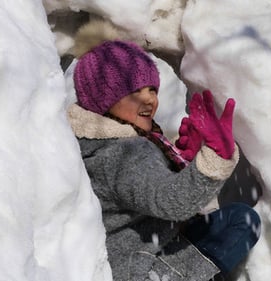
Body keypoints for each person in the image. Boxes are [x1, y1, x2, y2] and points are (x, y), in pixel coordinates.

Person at [67, 39, 261, 281]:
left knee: (238, 219)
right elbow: (172, 203)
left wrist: (184, 164)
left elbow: (145, 190)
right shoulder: (123, 153)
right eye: (134, 91)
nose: (149, 99)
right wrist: (214, 159)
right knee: (241, 223)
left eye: (152, 89)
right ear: (104, 101)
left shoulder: (98, 141)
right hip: (139, 269)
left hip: (142, 248)